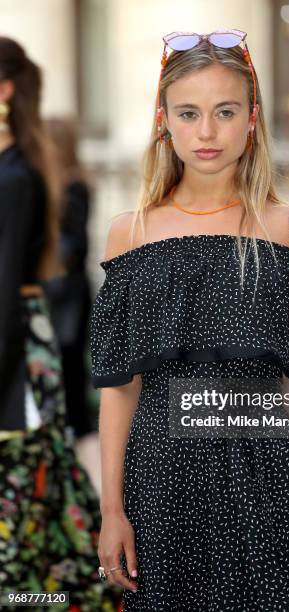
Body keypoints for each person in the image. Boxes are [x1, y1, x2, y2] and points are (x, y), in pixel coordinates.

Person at [91, 30, 289, 611]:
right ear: (163, 120)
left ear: (252, 119)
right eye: (189, 113)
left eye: (225, 111)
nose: (207, 132)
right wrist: (112, 512)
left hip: (270, 475)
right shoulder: (131, 232)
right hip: (162, 481)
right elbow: (119, 390)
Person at [0, 37, 122, 611]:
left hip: (28, 340)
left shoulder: (22, 175)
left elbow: (13, 284)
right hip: (32, 333)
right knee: (42, 483)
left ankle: (57, 595)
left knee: (31, 487)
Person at [43, 117, 95, 440]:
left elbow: (73, 245)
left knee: (69, 363)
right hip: (62, 291)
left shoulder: (72, 187)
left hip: (66, 294)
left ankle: (73, 428)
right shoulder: (55, 184)